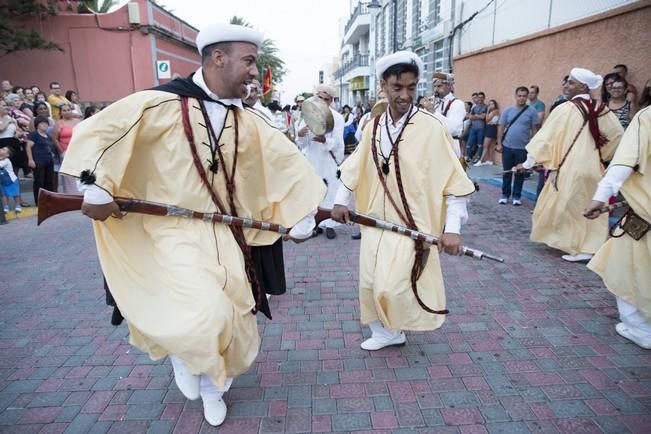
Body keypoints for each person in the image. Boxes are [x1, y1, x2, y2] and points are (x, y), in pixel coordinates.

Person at [59, 23, 325, 427]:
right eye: (249, 61)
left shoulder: (249, 120)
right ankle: (187, 358)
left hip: (227, 236)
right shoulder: (156, 104)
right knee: (205, 316)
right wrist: (92, 185)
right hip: (171, 233)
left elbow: (284, 163)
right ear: (219, 58)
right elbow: (99, 134)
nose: (255, 72)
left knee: (237, 318)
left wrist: (302, 214)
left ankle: (213, 388)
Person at [331, 51, 475, 350]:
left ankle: (395, 328)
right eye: (397, 88)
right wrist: (341, 200)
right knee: (370, 283)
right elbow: (355, 166)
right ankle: (385, 332)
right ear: (383, 85)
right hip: (374, 222)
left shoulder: (433, 127)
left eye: (411, 88)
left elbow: (454, 182)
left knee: (392, 286)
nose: (405, 95)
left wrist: (453, 229)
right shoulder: (373, 126)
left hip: (413, 225)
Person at [516, 67, 624, 262]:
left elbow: (545, 139)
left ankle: (579, 248)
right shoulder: (602, 109)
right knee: (588, 208)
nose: (567, 85)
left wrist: (528, 162)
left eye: (571, 83)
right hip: (593, 169)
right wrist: (601, 156)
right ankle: (589, 246)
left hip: (571, 169)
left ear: (583, 86)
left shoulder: (565, 109)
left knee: (571, 209)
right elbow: (617, 135)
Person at [584, 105, 651, 349]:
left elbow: (624, 161)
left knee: (625, 267)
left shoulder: (647, 116)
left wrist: (601, 196)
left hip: (645, 215)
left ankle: (641, 330)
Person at [294, 84, 345, 239]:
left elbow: (337, 143)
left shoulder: (337, 118)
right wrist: (301, 135)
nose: (323, 101)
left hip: (327, 160)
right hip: (312, 160)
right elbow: (301, 144)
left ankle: (330, 224)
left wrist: (325, 141)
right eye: (320, 98)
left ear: (331, 100)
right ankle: (314, 225)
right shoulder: (308, 114)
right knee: (313, 193)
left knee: (330, 192)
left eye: (326, 99)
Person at [496, 87, 540, 205]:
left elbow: (535, 129)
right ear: (515, 96)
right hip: (507, 147)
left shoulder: (532, 111)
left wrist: (534, 146)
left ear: (527, 97)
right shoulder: (508, 110)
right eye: (519, 96)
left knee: (520, 173)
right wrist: (499, 143)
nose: (521, 98)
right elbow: (501, 127)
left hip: (523, 148)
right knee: (507, 172)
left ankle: (516, 196)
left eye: (524, 96)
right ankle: (505, 195)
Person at [432, 72, 466, 158]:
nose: (436, 90)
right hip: (434, 145)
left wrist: (433, 112)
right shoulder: (434, 102)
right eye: (435, 86)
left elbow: (452, 129)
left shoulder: (457, 104)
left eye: (439, 86)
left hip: (450, 146)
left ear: (449, 86)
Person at [25, 116, 55, 204]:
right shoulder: (34, 135)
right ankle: (39, 201)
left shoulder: (48, 135)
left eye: (46, 124)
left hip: (48, 160)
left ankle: (50, 200)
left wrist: (51, 153)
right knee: (39, 181)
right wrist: (30, 160)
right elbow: (28, 147)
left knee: (49, 181)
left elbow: (49, 146)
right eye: (42, 124)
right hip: (38, 160)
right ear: (37, 125)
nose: (45, 125)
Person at [52, 103, 81, 193]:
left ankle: (82, 193)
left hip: (79, 151)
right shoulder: (59, 123)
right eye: (64, 110)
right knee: (69, 175)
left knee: (80, 173)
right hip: (66, 152)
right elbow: (54, 138)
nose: (67, 112)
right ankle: (71, 193)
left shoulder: (78, 121)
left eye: (68, 110)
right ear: (61, 112)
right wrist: (61, 151)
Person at [465, 91, 487, 162]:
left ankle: (478, 158)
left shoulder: (486, 107)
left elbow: (483, 117)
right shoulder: (474, 107)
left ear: (484, 98)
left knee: (480, 144)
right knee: (469, 143)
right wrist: (477, 116)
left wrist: (475, 116)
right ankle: (468, 156)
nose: (480, 99)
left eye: (481, 97)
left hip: (481, 128)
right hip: (473, 128)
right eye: (478, 97)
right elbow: (469, 117)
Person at [477, 99, 500, 166]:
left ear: (495, 105)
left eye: (492, 104)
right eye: (489, 104)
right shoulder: (495, 111)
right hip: (493, 128)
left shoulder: (495, 111)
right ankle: (490, 160)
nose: (490, 105)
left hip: (491, 128)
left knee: (485, 145)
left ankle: (481, 161)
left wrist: (487, 110)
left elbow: (487, 119)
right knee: (491, 146)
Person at [0, 145, 21, 213]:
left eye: (3, 149)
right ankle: (6, 206)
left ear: (7, 155)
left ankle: (18, 205)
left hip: (12, 180)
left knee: (15, 194)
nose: (1, 149)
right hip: (3, 181)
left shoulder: (6, 160)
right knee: (4, 194)